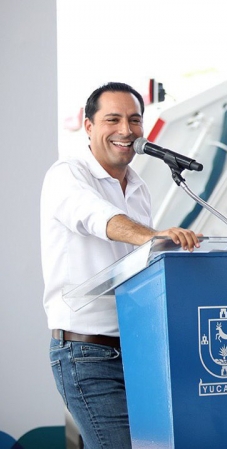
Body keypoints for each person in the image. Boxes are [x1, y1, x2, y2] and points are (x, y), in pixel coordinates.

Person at [41, 82, 202, 449]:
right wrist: (155, 236)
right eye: (112, 119)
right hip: (87, 354)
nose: (126, 130)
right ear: (88, 126)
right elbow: (100, 219)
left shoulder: (139, 187)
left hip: (139, 350)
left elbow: (138, 267)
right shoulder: (67, 173)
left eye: (134, 120)